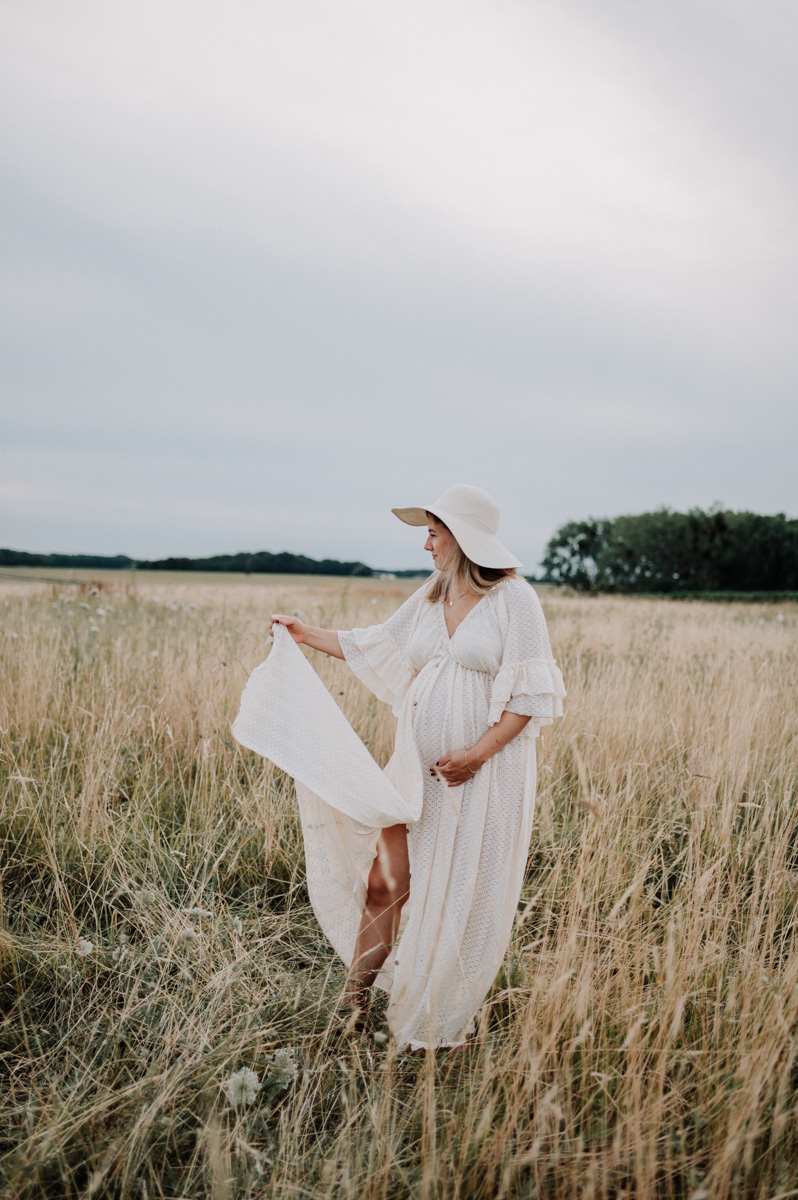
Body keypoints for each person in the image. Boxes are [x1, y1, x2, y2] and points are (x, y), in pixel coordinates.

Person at [261, 485, 565, 1052]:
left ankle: (441, 1022)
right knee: (387, 883)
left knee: (456, 895)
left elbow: (530, 696)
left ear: (462, 536)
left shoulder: (515, 600)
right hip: (416, 768)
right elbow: (373, 644)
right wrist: (305, 634)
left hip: (482, 773)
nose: (426, 544)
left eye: (433, 532)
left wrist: (476, 754)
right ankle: (353, 1003)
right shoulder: (431, 594)